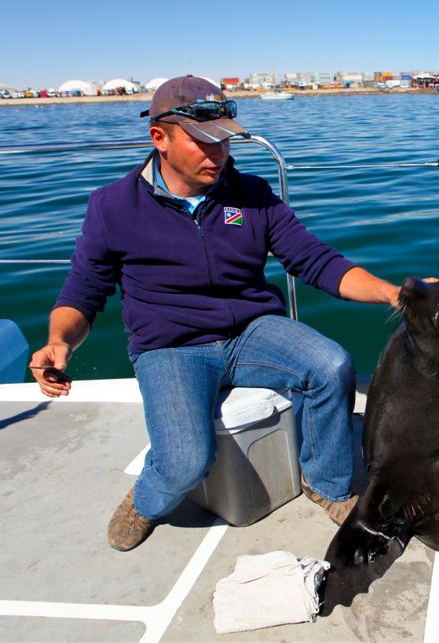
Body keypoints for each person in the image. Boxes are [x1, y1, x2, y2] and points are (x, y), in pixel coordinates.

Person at [30, 75, 402, 552]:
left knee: (330, 365)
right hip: (170, 346)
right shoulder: (112, 206)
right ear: (159, 138)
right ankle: (146, 500)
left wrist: (394, 294)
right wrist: (60, 341)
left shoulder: (251, 194)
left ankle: (324, 483)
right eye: (204, 142)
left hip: (252, 330)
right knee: (185, 462)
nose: (219, 154)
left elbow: (315, 261)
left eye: (225, 139)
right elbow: (83, 291)